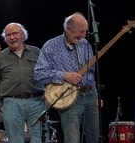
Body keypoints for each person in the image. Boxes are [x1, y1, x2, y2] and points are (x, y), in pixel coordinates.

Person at [34, 12, 99, 143]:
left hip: (89, 96)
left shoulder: (85, 44)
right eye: (80, 31)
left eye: (85, 31)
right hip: (69, 100)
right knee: (72, 139)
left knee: (95, 138)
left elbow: (91, 73)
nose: (84, 35)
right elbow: (39, 73)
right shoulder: (50, 46)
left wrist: (96, 96)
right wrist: (64, 75)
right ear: (68, 29)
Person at [0, 22, 46, 143]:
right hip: (11, 103)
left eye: (14, 33)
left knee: (40, 139)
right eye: (8, 35)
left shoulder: (36, 52)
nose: (12, 37)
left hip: (36, 101)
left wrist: (47, 94)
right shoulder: (0, 58)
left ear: (22, 35)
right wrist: (1, 105)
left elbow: (46, 74)